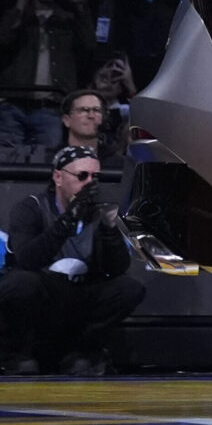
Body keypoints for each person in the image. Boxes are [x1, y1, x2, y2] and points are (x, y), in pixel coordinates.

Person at [0, 146, 143, 374]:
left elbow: (117, 268)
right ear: (58, 177)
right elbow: (27, 259)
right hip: (42, 297)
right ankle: (15, 354)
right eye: (82, 176)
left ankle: (81, 352)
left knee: (129, 289)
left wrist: (109, 229)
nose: (90, 184)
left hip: (77, 296)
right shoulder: (31, 208)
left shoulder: (98, 213)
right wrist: (67, 221)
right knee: (21, 283)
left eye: (95, 177)